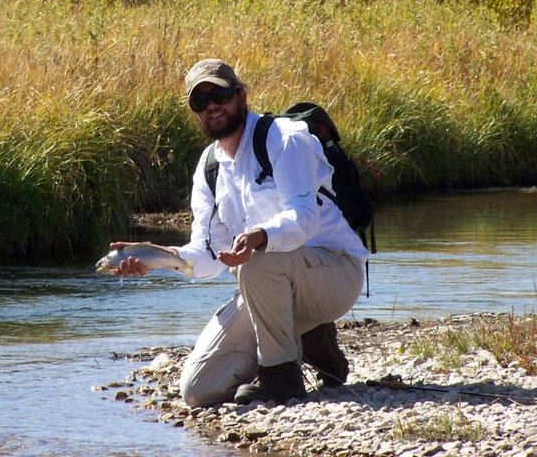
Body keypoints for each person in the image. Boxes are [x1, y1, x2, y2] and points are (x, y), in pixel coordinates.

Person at [110, 58, 367, 407]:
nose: (212, 106)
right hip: (268, 288)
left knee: (258, 263)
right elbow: (208, 256)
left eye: (220, 95)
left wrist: (259, 236)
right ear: (194, 113)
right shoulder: (208, 167)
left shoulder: (284, 139)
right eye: (200, 102)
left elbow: (303, 219)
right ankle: (311, 340)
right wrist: (161, 258)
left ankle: (281, 379)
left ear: (242, 95)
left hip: (336, 272)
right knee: (199, 390)